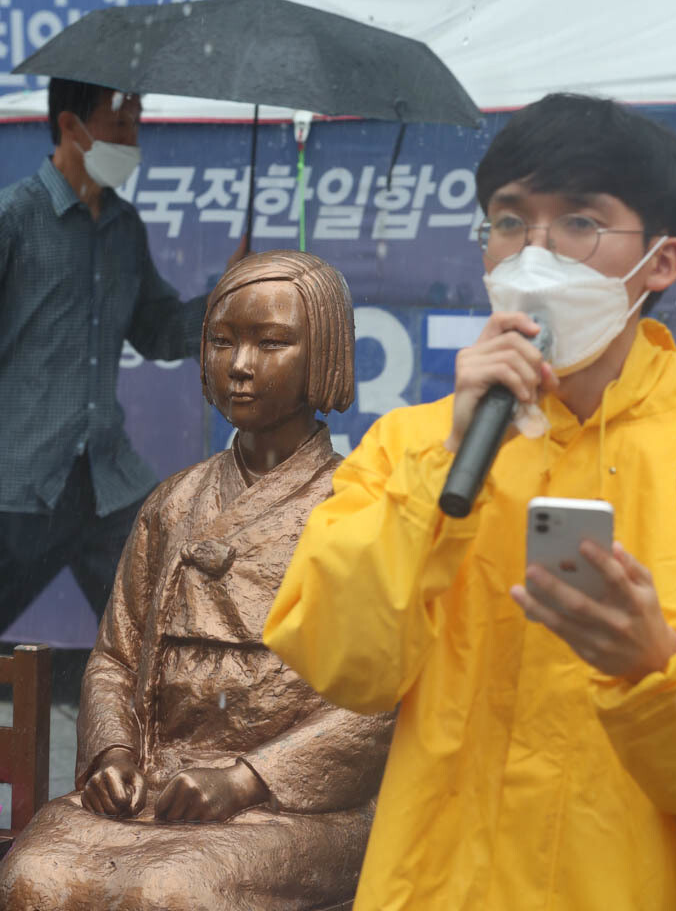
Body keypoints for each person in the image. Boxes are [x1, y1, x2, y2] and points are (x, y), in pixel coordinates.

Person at [264, 94, 676, 910]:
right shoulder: (410, 443)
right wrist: (443, 458)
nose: (534, 256)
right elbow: (344, 664)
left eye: (580, 225)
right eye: (508, 222)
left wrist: (651, 674)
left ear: (660, 262)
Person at [0, 250, 393, 911]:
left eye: (271, 344)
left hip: (293, 806)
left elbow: (380, 700)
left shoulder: (359, 505)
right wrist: (113, 756)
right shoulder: (173, 501)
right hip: (154, 783)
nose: (239, 365)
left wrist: (246, 777)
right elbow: (115, 659)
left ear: (323, 354)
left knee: (169, 891)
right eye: (221, 342)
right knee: (33, 876)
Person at [0, 77, 218, 626]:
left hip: (106, 482)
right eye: (120, 123)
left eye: (137, 122)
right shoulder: (15, 221)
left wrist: (225, 299)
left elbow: (159, 328)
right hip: (18, 482)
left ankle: (142, 713)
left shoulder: (125, 228)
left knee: (157, 633)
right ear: (70, 126)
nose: (133, 138)